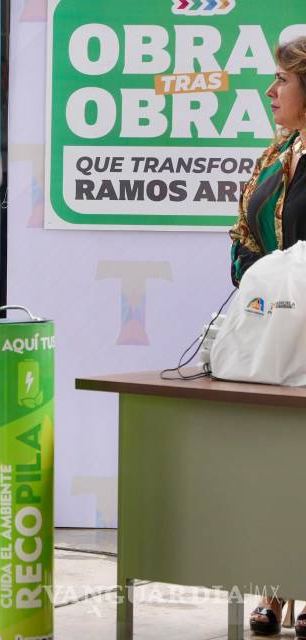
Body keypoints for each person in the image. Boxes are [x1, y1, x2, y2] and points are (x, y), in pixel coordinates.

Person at [233, 37, 306, 637]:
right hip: (272, 332)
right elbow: (246, 236)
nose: (270, 91)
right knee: (272, 461)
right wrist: (249, 283)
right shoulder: (276, 151)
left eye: (282, 80)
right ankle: (274, 588)